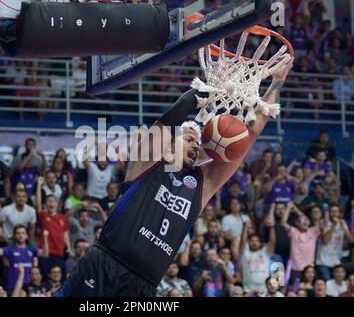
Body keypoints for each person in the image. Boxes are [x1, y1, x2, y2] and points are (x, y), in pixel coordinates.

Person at [55, 56, 293, 297]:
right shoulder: (146, 164)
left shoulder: (202, 184)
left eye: (198, 142)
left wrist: (277, 83)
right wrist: (209, 89)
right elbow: (172, 117)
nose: (196, 144)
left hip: (143, 286)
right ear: (169, 146)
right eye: (189, 138)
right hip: (104, 265)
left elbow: (250, 134)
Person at [35, 177, 71, 279]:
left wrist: (68, 247)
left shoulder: (62, 218)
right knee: (46, 278)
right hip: (46, 253)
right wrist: (39, 185)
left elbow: (65, 233)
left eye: (53, 201)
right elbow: (37, 205)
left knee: (61, 278)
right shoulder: (44, 216)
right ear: (45, 204)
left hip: (59, 253)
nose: (51, 203)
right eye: (48, 201)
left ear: (57, 204)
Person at [0, 226, 49, 291]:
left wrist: (45, 238)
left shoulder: (31, 250)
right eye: (18, 233)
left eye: (23, 233)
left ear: (26, 236)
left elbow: (45, 254)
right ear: (14, 236)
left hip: (28, 286)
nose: (20, 235)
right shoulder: (10, 249)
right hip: (13, 285)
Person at [282, 201, 322, 283]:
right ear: (297, 223)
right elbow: (283, 223)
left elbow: (322, 224)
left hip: (309, 269)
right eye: (302, 221)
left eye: (307, 220)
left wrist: (296, 209)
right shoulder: (294, 231)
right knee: (295, 290)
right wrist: (288, 208)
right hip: (295, 268)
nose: (305, 221)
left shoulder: (313, 231)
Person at [316, 204, 354, 280]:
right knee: (328, 282)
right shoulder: (324, 222)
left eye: (336, 211)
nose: (334, 214)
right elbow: (325, 241)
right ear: (329, 213)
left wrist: (345, 229)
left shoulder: (343, 223)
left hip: (336, 262)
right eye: (332, 211)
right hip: (323, 261)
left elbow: (351, 241)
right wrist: (334, 226)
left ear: (340, 213)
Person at [239, 217, 276, 293]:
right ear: (249, 243)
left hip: (264, 290)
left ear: (260, 243)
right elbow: (242, 241)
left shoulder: (265, 252)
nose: (254, 242)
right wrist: (245, 226)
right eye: (252, 241)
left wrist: (271, 227)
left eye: (257, 241)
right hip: (248, 290)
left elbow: (272, 242)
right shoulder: (245, 254)